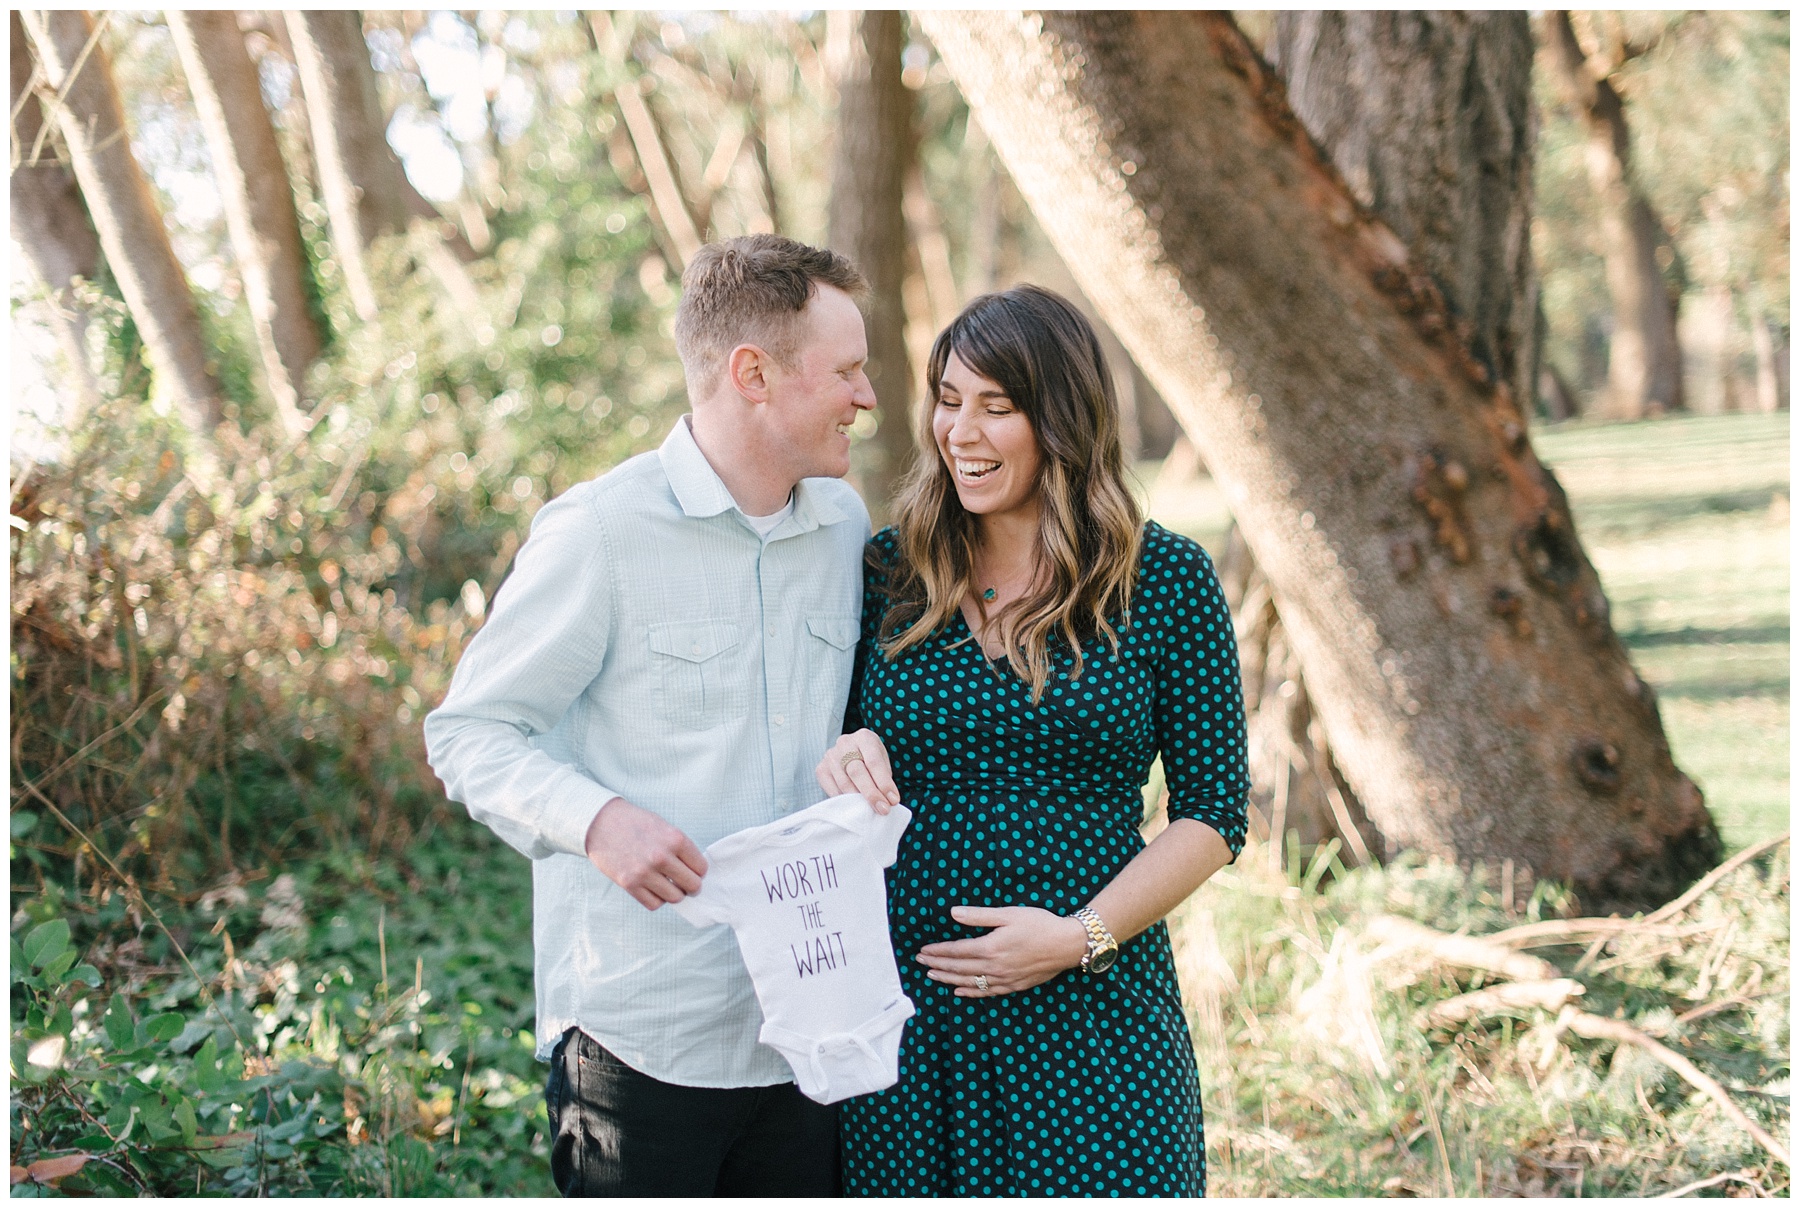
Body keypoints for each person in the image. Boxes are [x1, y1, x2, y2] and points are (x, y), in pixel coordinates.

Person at [424, 234, 875, 1197]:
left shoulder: (845, 529)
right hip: (645, 1038)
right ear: (753, 373)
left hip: (808, 1032)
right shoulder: (600, 533)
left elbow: (854, 717)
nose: (867, 397)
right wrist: (596, 820)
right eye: (847, 370)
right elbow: (468, 732)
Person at [815, 284, 1250, 1197]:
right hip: (910, 1013)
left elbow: (1212, 814)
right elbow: (835, 740)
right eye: (948, 399)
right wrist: (844, 755)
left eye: (996, 408)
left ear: (1061, 419)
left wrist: (1075, 938)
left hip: (1091, 1012)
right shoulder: (889, 567)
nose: (960, 433)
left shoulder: (1163, 579)